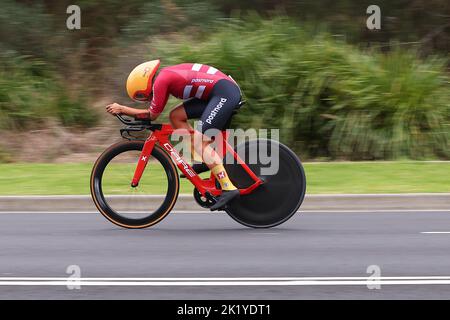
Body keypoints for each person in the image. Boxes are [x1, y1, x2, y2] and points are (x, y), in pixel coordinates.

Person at [106, 60, 242, 210]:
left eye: (147, 96)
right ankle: (202, 159)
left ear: (144, 86)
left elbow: (152, 115)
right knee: (176, 116)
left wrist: (122, 109)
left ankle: (228, 188)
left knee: (199, 141)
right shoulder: (164, 76)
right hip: (220, 91)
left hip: (224, 93)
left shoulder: (160, 82)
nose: (150, 99)